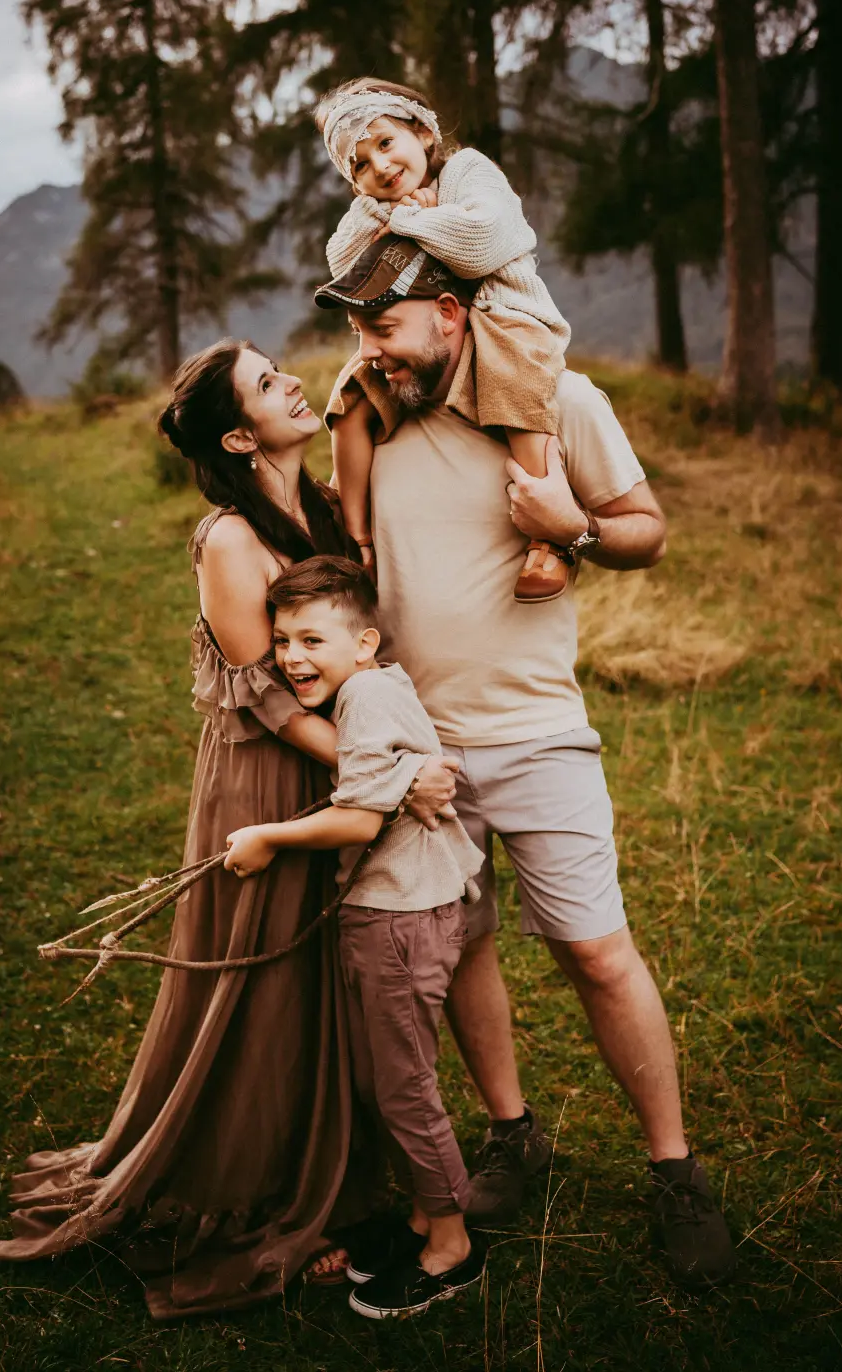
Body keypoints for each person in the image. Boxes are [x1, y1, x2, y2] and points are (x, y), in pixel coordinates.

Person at [0, 338, 456, 1320]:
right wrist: (391, 774)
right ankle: (249, 1182)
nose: (289, 379)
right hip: (268, 778)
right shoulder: (229, 541)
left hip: (343, 765)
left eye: (282, 366)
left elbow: (356, 430)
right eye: (266, 382)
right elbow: (274, 708)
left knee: (326, 969)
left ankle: (327, 1157)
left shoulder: (313, 506)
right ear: (240, 435)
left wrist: (363, 381)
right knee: (263, 975)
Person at [315, 241, 738, 1289]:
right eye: (357, 329)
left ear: (450, 313)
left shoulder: (557, 399)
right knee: (459, 945)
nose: (368, 349)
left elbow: (647, 529)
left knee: (596, 953)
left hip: (539, 731)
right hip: (419, 752)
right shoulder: (370, 417)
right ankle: (511, 1134)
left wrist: (577, 529)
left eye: (385, 326)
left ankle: (674, 1171)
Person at [225, 555, 487, 1320]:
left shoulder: (367, 695)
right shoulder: (376, 685)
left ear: (365, 642)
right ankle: (421, 1214)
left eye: (313, 640)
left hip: (402, 920)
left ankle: (451, 1245)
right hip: (402, 912)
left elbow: (361, 819)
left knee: (404, 1089)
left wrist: (268, 836)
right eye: (282, 641)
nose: (293, 658)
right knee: (390, 1079)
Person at [315, 75, 573, 603]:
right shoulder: (373, 207)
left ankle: (547, 533)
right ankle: (354, 535)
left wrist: (408, 221)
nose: (380, 167)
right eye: (359, 165)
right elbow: (344, 262)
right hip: (428, 332)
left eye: (385, 143)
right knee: (352, 395)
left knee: (512, 373)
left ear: (423, 132)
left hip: (506, 313)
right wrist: (414, 219)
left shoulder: (469, 171)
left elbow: (479, 241)